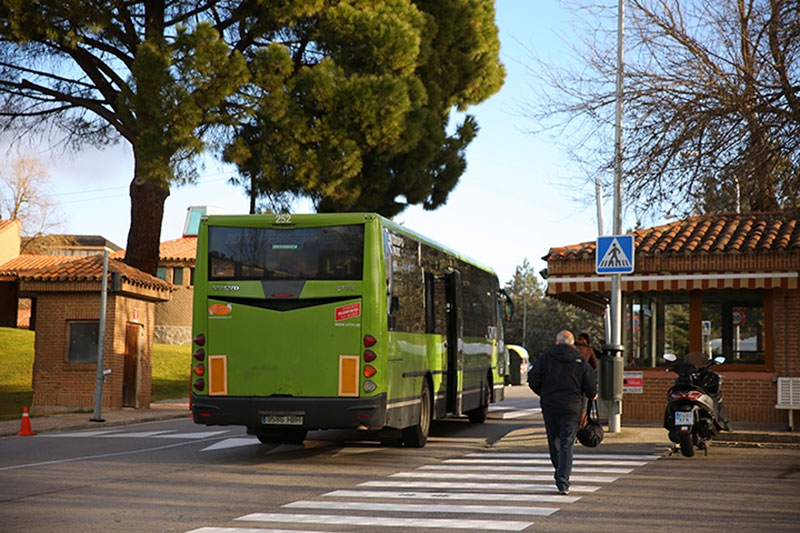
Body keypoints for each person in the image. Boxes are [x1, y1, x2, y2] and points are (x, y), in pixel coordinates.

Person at [529, 330, 598, 495]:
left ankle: (559, 471)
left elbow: (533, 379)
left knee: (554, 441)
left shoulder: (546, 357)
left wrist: (543, 393)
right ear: (572, 343)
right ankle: (563, 481)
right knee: (567, 443)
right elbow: (590, 387)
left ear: (558, 342)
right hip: (572, 407)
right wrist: (590, 395)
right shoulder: (580, 361)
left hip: (550, 405)